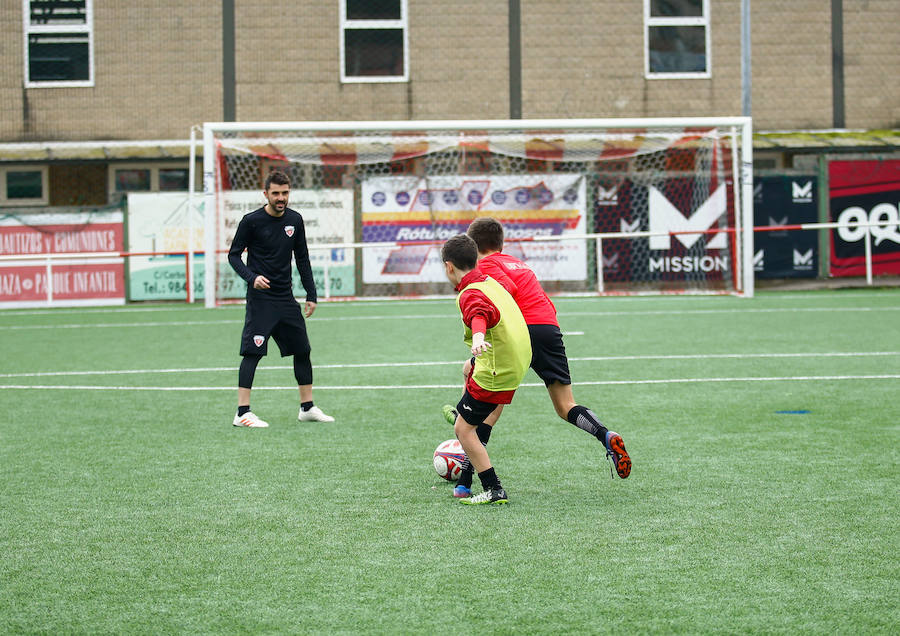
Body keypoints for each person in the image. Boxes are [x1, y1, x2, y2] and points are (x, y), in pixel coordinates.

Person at [442, 217, 630, 490]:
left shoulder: (484, 265)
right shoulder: (518, 262)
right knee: (565, 406)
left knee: (485, 406)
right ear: (501, 243)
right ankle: (604, 435)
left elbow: (507, 290)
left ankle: (467, 478)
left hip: (519, 334)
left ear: (475, 247)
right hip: (549, 328)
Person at [227, 170, 333, 428]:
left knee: (303, 350)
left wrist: (311, 294)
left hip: (286, 298)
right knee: (252, 352)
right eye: (275, 193)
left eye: (285, 193)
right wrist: (252, 278)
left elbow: (303, 258)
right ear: (266, 194)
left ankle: (307, 407)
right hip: (261, 299)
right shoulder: (251, 221)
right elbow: (233, 255)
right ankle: (242, 412)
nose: (281, 198)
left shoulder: (295, 220)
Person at [440, 233, 531, 505]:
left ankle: (493, 489)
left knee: (463, 430)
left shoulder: (470, 294)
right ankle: (465, 409)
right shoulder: (490, 281)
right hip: (516, 360)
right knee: (467, 370)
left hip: (495, 370)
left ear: (449, 267)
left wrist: (479, 338)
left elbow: (479, 313)